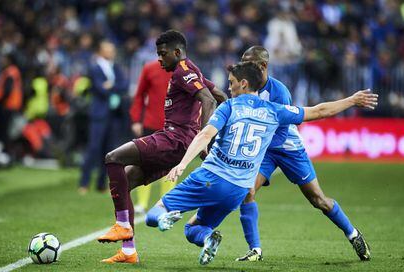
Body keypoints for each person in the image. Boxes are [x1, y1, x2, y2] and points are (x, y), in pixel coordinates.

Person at [144, 61, 377, 265]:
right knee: (194, 228)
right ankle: (220, 241)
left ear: (244, 83)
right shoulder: (275, 110)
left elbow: (205, 134)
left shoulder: (230, 106)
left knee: (153, 216)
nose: (228, 87)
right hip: (237, 189)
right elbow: (319, 110)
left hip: (213, 176)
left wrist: (183, 164)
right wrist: (352, 100)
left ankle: (166, 217)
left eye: (231, 82)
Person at [98, 30, 228, 264]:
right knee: (125, 180)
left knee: (113, 157)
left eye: (163, 54)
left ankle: (122, 225)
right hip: (176, 142)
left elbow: (207, 100)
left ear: (177, 52)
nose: (159, 59)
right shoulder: (190, 69)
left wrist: (205, 137)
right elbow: (218, 94)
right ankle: (128, 252)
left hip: (174, 139)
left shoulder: (183, 71)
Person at [235, 46, 371, 262]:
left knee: (318, 200)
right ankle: (255, 250)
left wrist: (250, 149)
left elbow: (279, 135)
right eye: (241, 61)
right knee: (247, 192)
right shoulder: (242, 85)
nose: (242, 66)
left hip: (289, 149)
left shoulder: (279, 93)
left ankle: (353, 234)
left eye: (248, 62)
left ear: (263, 66)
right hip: (266, 151)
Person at [78, 40, 128, 194]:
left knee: (109, 151)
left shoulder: (116, 67)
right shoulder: (94, 67)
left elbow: (125, 85)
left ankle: (101, 183)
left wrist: (111, 85)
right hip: (99, 114)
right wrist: (114, 87)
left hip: (114, 114)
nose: (112, 52)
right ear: (101, 51)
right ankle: (84, 183)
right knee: (93, 148)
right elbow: (100, 89)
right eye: (109, 49)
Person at [129, 59, 176, 215]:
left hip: (174, 125)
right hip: (151, 124)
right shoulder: (149, 68)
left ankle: (165, 203)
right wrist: (136, 119)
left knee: (170, 166)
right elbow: (139, 94)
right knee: (146, 164)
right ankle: (141, 204)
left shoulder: (185, 70)